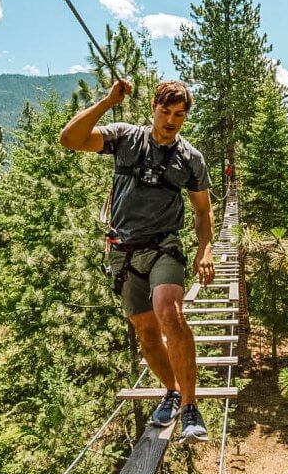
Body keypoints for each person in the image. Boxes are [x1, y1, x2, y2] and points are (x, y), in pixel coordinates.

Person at [59, 79, 215, 443]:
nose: (172, 120)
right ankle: (173, 393)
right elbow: (70, 139)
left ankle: (191, 409)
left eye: (180, 114)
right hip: (124, 250)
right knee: (145, 332)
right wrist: (107, 102)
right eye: (166, 111)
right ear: (153, 109)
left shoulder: (190, 159)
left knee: (169, 313)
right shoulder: (125, 137)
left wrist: (205, 249)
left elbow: (203, 212)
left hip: (165, 246)